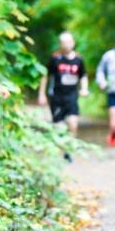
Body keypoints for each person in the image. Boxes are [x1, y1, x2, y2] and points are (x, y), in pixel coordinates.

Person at [38, 31, 89, 163]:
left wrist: (84, 88)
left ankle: (68, 149)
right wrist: (41, 94)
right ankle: (61, 150)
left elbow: (83, 75)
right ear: (60, 44)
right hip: (56, 97)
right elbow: (45, 75)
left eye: (68, 42)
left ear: (73, 43)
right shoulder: (55, 58)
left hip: (72, 96)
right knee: (59, 128)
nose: (66, 45)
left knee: (73, 124)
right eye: (63, 42)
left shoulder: (79, 59)